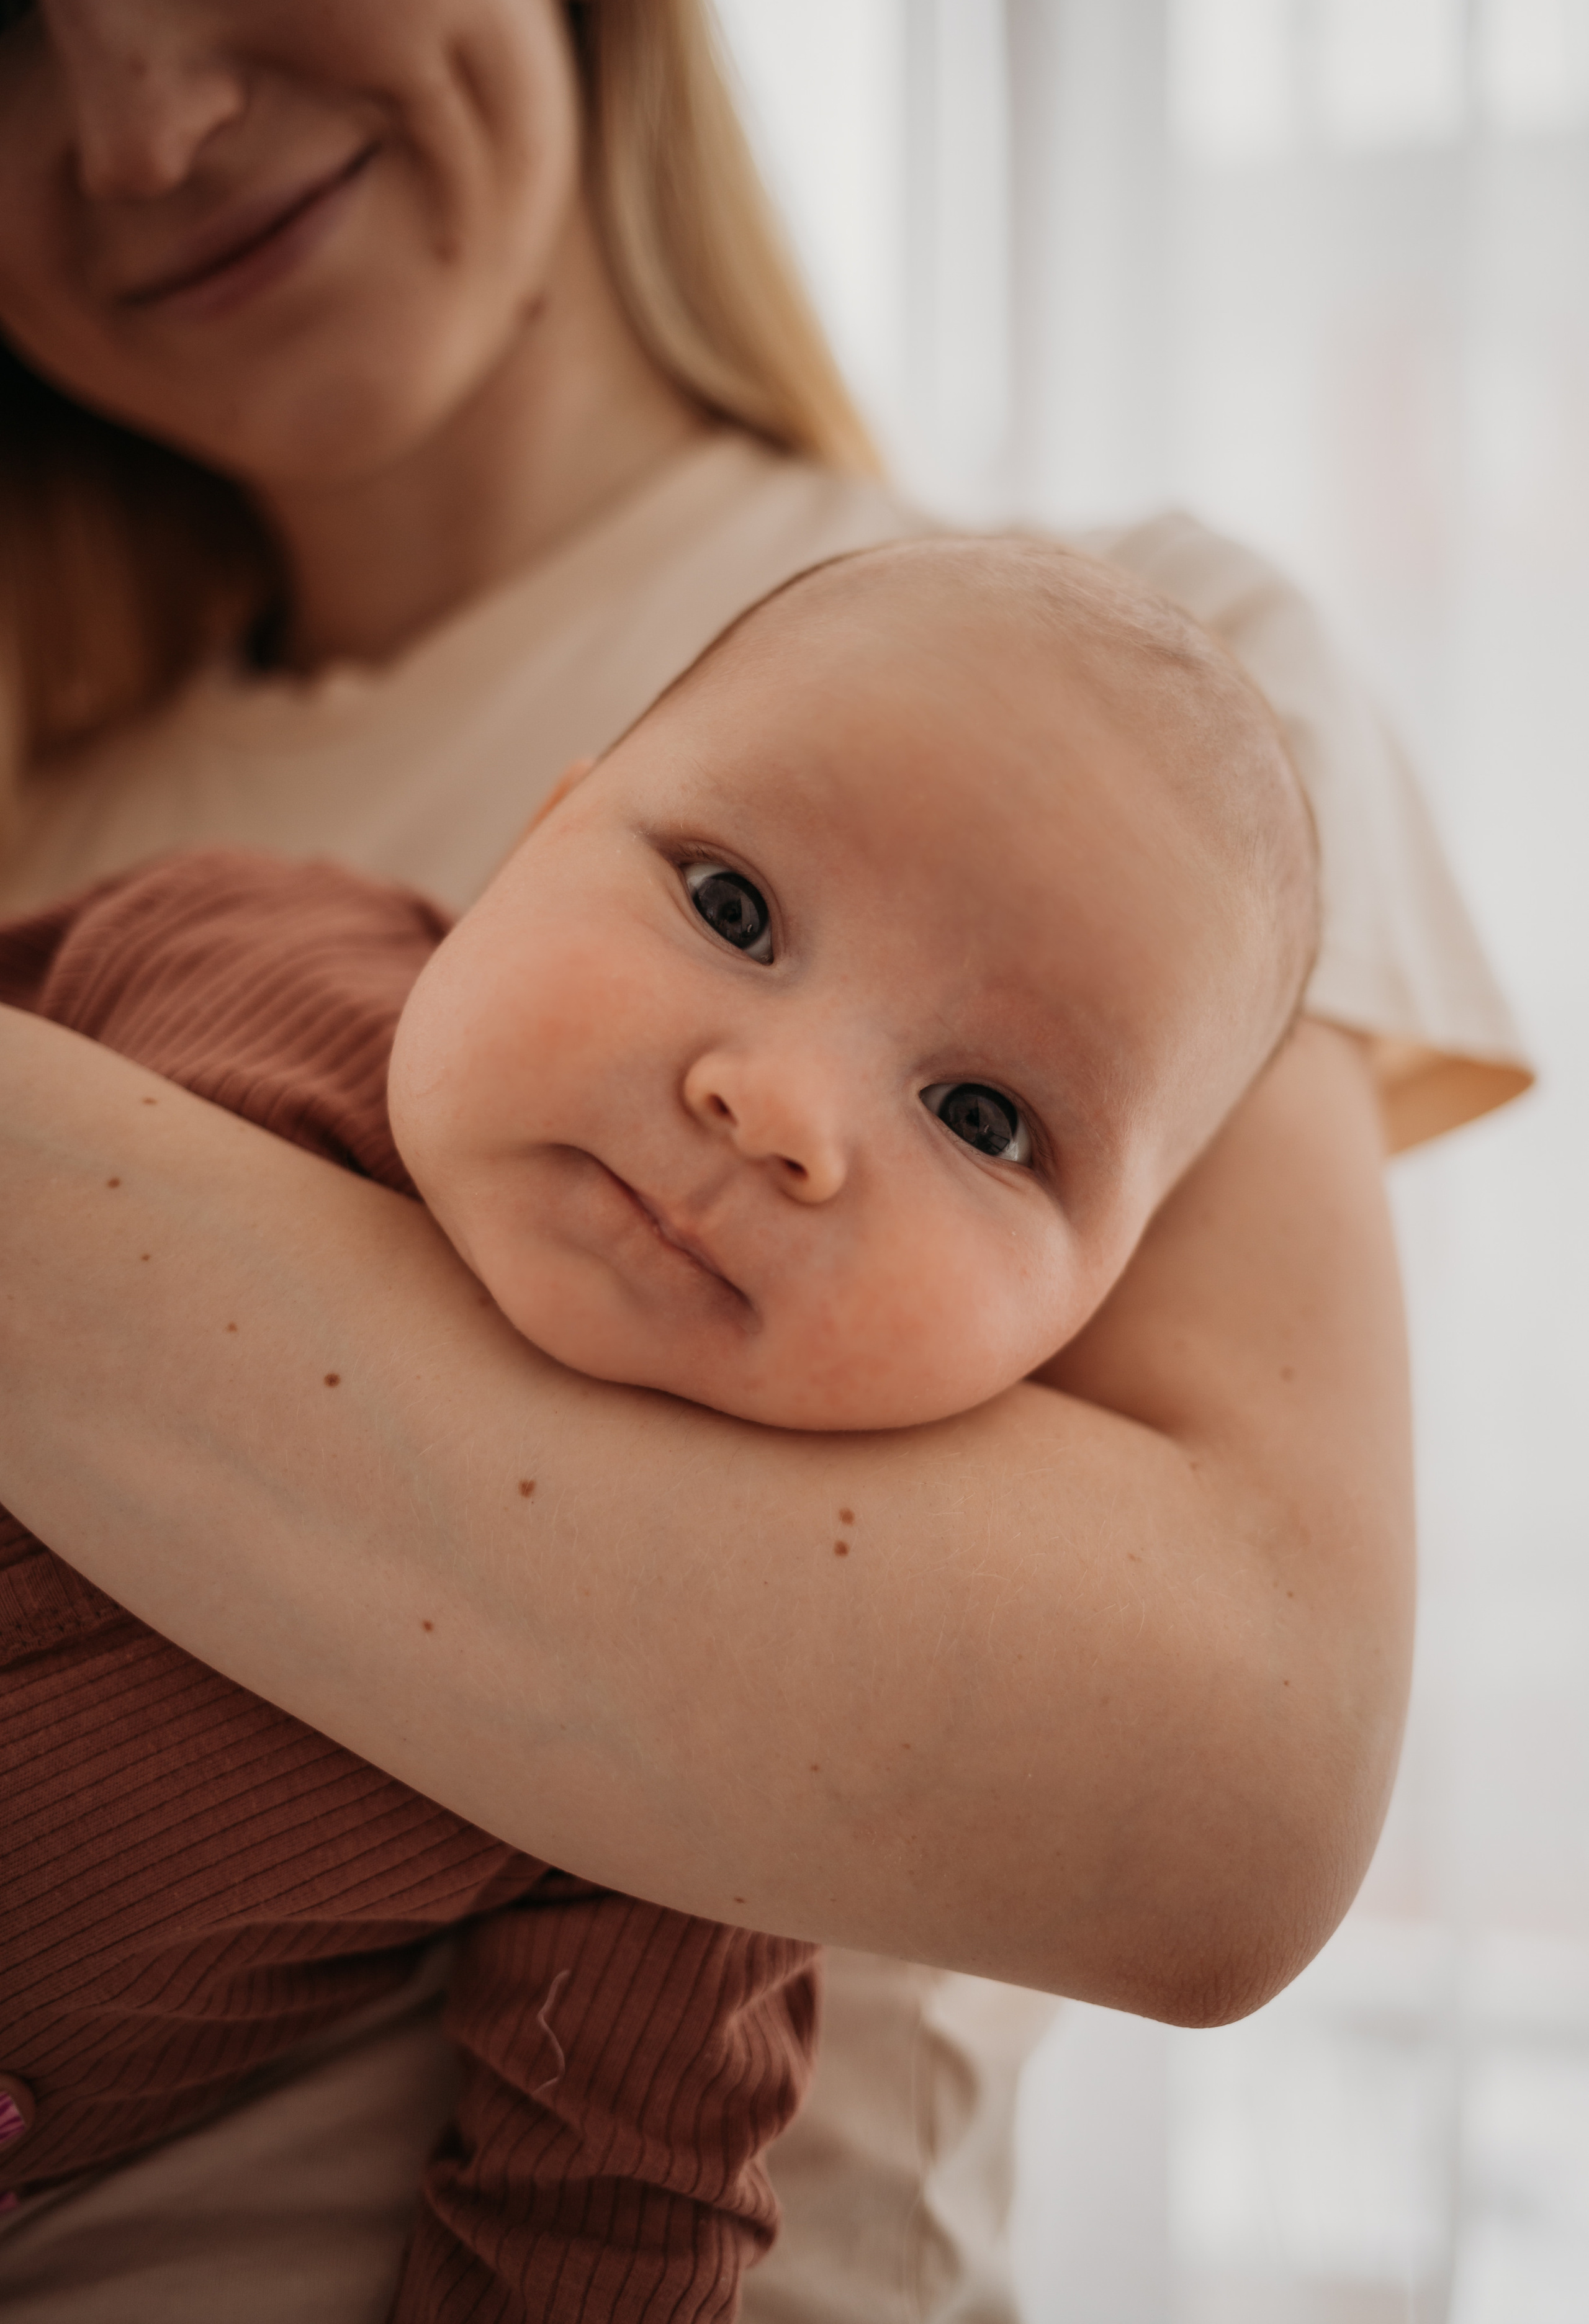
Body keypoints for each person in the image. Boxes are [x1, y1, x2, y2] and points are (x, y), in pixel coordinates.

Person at [0, 0, 1530, 2320]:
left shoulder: (1153, 719)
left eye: (987, 1117)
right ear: (553, 816)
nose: (137, 122)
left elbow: (1220, 1808)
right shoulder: (84, 859)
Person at [0, 532, 1317, 2313]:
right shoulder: (214, 939)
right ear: (535, 840)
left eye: (988, 1120)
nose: (782, 1109)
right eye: (732, 909)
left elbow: (607, 2217)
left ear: (1087, 1315)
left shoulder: (726, 1743)